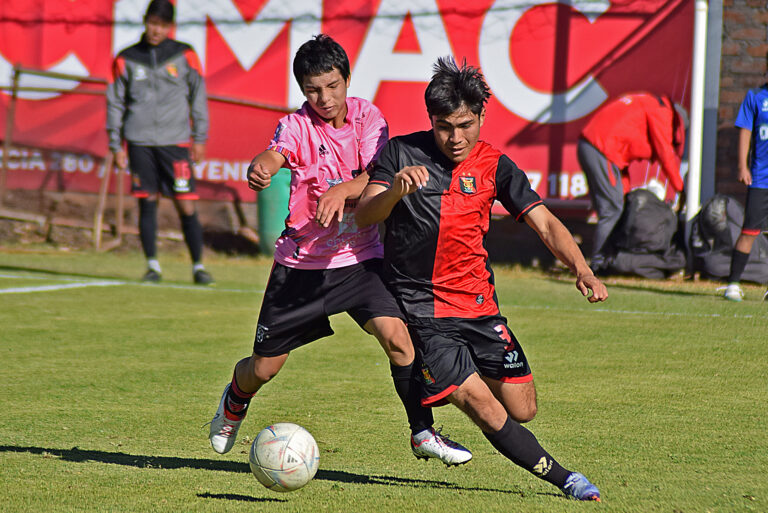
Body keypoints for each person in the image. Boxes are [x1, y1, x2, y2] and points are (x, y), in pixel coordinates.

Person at [207, 35, 471, 466]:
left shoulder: (368, 118)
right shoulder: (295, 126)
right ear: (302, 90)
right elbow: (276, 155)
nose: (324, 97)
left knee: (398, 339)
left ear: (347, 79)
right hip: (301, 266)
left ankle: (422, 431)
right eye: (313, 89)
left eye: (332, 85)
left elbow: (377, 176)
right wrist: (261, 167)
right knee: (264, 368)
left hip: (359, 259)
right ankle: (235, 400)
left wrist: (340, 192)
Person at [356, 57, 608, 501]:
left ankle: (443, 382)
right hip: (424, 311)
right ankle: (566, 479)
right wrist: (396, 189)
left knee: (522, 408)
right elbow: (364, 215)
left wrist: (581, 268)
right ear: (431, 121)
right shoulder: (400, 153)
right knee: (482, 406)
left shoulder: (497, 165)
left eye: (465, 125)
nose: (455, 138)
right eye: (443, 127)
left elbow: (546, 224)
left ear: (481, 116)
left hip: (479, 306)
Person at [106, 0, 213, 285]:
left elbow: (198, 98)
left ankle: (198, 267)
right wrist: (116, 145)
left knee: (186, 204)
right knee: (147, 203)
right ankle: (152, 266)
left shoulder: (184, 55)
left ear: (170, 26)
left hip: (175, 143)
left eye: (163, 25)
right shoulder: (126, 58)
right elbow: (115, 103)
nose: (156, 30)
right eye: (152, 23)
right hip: (139, 142)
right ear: (145, 21)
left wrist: (200, 138)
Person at [577, 92, 687, 272]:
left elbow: (623, 155)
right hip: (601, 149)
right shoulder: (661, 111)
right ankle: (598, 265)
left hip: (595, 147)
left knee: (617, 206)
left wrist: (626, 194)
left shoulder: (650, 103)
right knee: (612, 209)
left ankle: (607, 259)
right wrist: (681, 188)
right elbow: (664, 152)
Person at [722, 71, 768, 302]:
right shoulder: (755, 97)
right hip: (761, 178)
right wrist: (743, 165)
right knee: (750, 230)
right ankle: (733, 283)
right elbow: (746, 130)